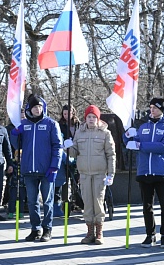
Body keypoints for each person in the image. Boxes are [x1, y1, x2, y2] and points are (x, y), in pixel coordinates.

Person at [124, 97, 164, 249]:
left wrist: (141, 145)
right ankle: (150, 235)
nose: (152, 110)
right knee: (147, 206)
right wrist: (128, 135)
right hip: (145, 171)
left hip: (162, 172)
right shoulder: (143, 127)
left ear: (161, 109)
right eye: (151, 107)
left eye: (155, 107)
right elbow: (129, 143)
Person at [11, 94, 63, 242]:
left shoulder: (51, 124)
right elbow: (16, 145)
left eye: (40, 107)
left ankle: (47, 228)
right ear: (29, 109)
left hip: (47, 170)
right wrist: (15, 133)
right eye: (34, 107)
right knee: (32, 201)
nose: (37, 109)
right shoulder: (24, 124)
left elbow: (58, 146)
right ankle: (35, 228)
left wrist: (54, 166)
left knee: (47, 201)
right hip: (29, 170)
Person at [64, 105, 116, 245]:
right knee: (87, 203)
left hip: (100, 174)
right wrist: (68, 147)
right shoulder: (79, 133)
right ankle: (89, 232)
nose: (91, 119)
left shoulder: (105, 133)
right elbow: (74, 153)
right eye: (89, 117)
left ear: (98, 118)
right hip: (84, 174)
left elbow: (111, 155)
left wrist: (111, 174)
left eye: (94, 117)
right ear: (85, 118)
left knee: (98, 202)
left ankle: (99, 232)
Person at [55, 104, 80, 217]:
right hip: (65, 153)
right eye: (64, 114)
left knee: (76, 179)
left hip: (77, 153)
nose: (66, 116)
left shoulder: (78, 125)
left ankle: (77, 201)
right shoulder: (60, 125)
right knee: (64, 181)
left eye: (68, 113)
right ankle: (64, 203)